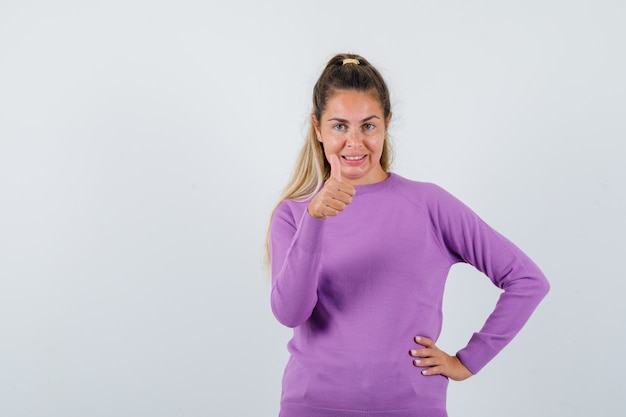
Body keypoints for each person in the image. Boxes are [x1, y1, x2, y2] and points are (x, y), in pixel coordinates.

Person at [267, 53, 549, 417]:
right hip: (312, 406)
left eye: (368, 126)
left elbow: (527, 280)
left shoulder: (428, 204)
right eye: (339, 126)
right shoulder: (293, 214)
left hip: (411, 407)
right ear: (317, 128)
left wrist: (467, 361)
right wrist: (315, 219)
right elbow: (290, 313)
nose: (354, 142)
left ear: (386, 123)